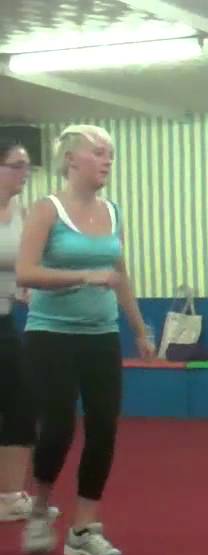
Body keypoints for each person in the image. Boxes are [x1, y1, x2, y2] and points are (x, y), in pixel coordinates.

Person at [16, 124, 155, 555]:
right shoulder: (47, 209)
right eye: (98, 152)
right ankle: (40, 508)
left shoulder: (113, 212)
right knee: (58, 428)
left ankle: (83, 529)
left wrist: (139, 328)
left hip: (101, 335)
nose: (107, 160)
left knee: (103, 429)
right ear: (71, 159)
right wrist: (83, 275)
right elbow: (25, 272)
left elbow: (119, 274)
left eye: (110, 154)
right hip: (51, 335)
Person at [0, 137, 58, 523]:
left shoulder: (21, 214)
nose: (25, 173)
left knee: (22, 404)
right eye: (17, 165)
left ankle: (8, 497)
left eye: (28, 167)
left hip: (5, 320)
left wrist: (26, 289)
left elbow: (23, 267)